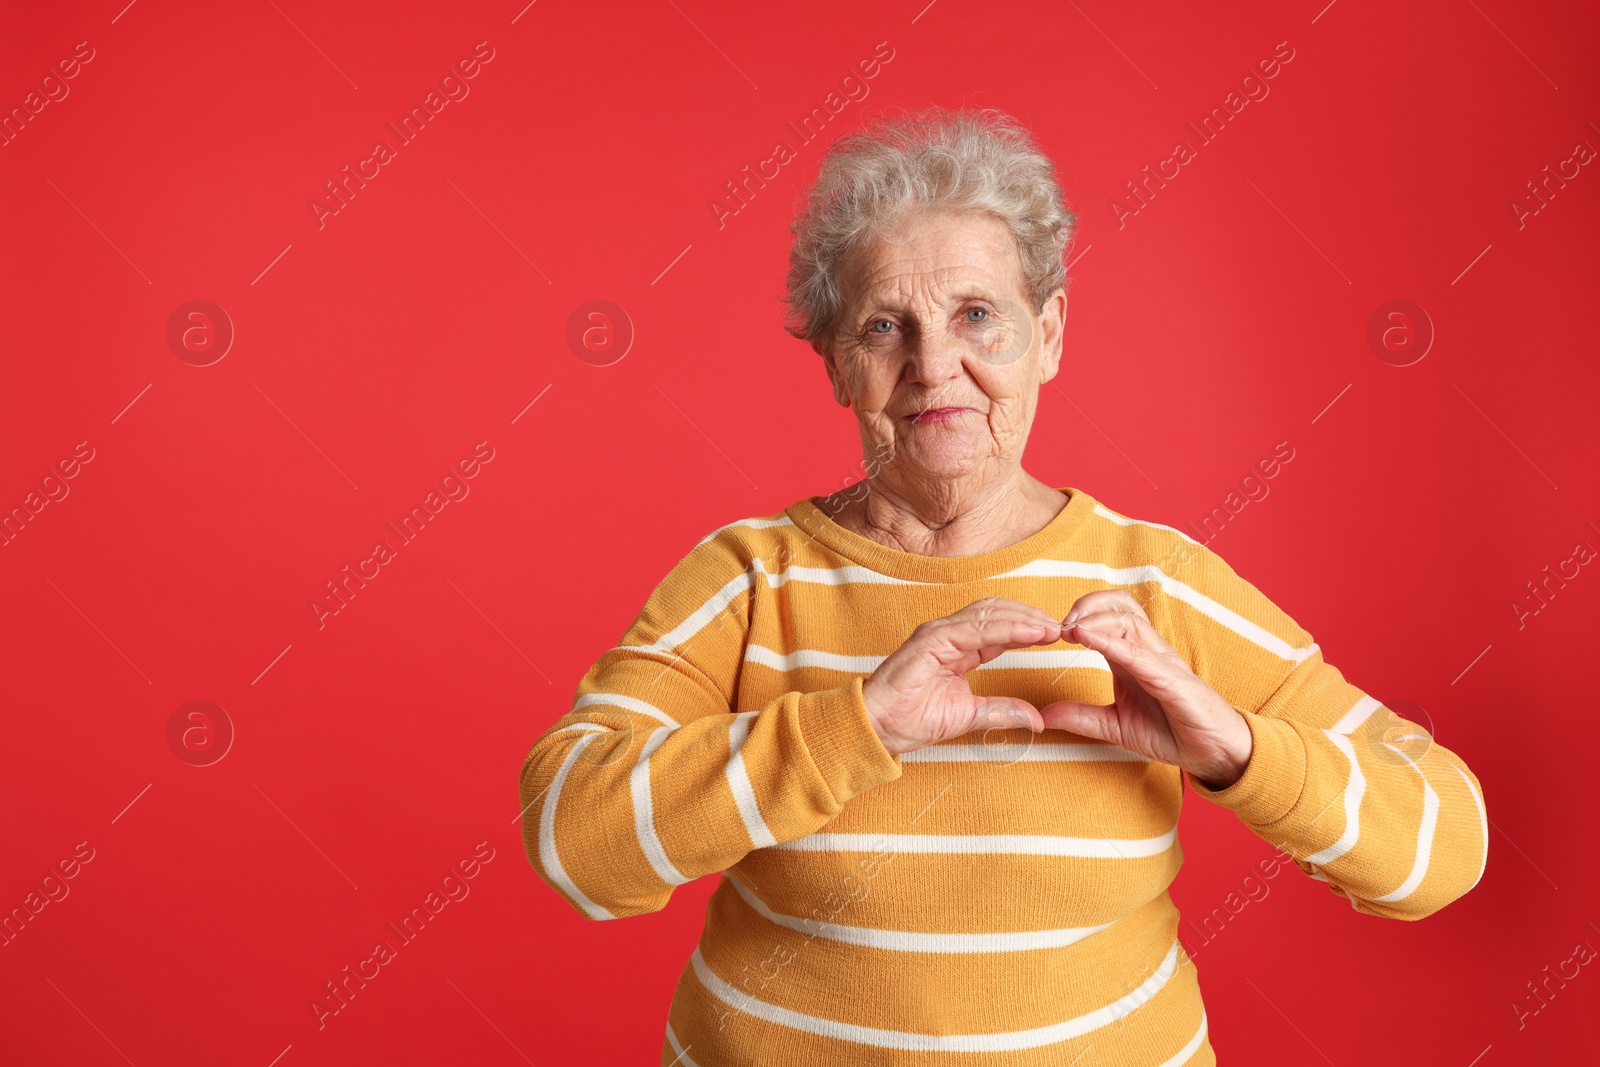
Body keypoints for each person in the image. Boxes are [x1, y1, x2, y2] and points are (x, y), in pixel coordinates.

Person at [518, 106, 1487, 1066]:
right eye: (883, 325)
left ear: (1050, 333)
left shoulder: (1158, 584)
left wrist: (1238, 751)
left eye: (977, 314)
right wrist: (854, 728)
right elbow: (572, 841)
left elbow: (1441, 849)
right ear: (835, 365)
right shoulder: (746, 580)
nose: (935, 366)